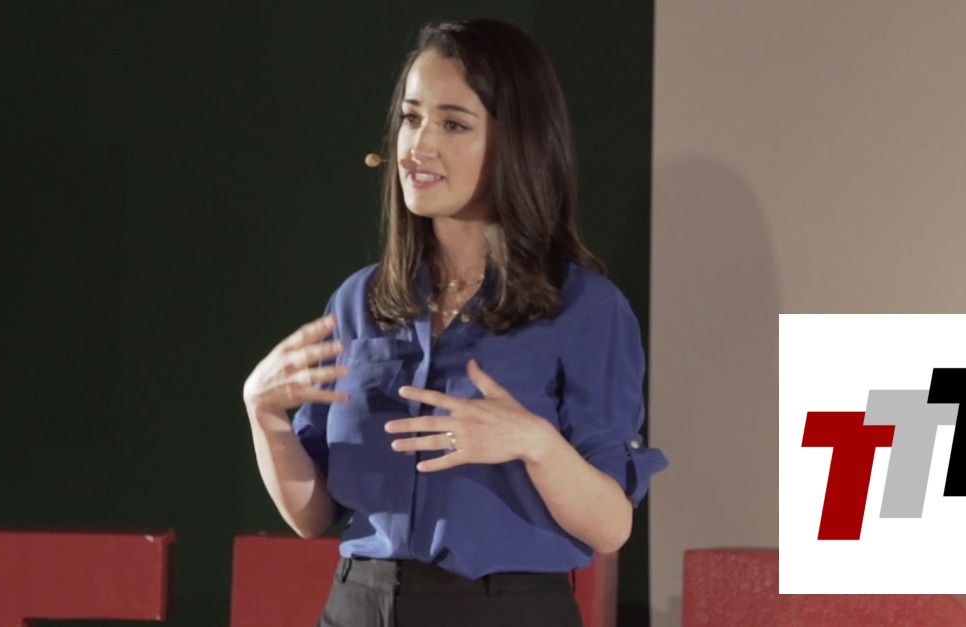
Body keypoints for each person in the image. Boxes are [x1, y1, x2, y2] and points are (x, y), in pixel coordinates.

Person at [242, 17, 668, 627]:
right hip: (358, 602)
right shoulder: (358, 301)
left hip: (505, 609)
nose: (419, 147)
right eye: (411, 119)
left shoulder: (584, 307)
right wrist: (264, 413)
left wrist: (534, 443)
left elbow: (610, 526)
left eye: (453, 124)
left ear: (516, 143)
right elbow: (313, 516)